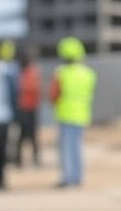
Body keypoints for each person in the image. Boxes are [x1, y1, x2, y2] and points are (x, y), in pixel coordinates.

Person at [49, 36, 97, 188]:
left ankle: (68, 179)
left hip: (65, 114)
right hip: (82, 114)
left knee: (66, 149)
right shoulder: (88, 73)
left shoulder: (61, 73)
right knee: (77, 147)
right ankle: (77, 177)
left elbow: (54, 95)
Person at [15, 44, 42, 168]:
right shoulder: (17, 73)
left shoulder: (33, 72)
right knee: (21, 136)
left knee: (33, 136)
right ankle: (18, 159)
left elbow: (37, 90)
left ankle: (36, 158)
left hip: (31, 108)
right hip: (22, 108)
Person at [0, 40, 15, 188]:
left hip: (4, 115)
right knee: (3, 149)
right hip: (4, 116)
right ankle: (2, 179)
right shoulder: (7, 70)